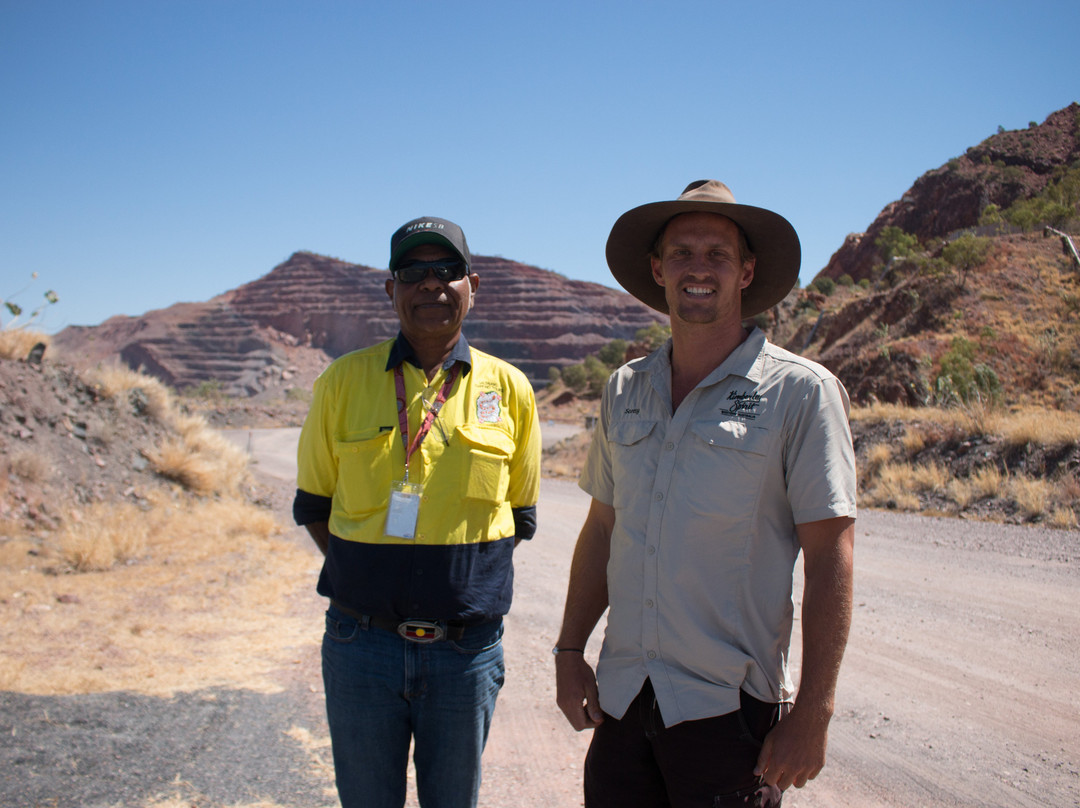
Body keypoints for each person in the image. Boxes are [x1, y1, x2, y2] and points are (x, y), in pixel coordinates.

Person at [554, 180, 857, 807]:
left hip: (730, 712)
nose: (699, 268)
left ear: (746, 271)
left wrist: (815, 711)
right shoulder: (624, 390)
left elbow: (831, 553)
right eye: (683, 252)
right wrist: (568, 649)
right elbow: (604, 530)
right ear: (658, 269)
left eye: (718, 254)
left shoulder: (800, 393)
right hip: (626, 701)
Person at [293, 216, 541, 808]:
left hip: (465, 656)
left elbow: (520, 516)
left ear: (472, 285)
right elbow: (315, 507)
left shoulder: (510, 391)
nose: (431, 284)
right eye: (413, 272)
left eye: (447, 271)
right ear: (391, 289)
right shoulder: (341, 383)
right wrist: (368, 572)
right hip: (362, 649)